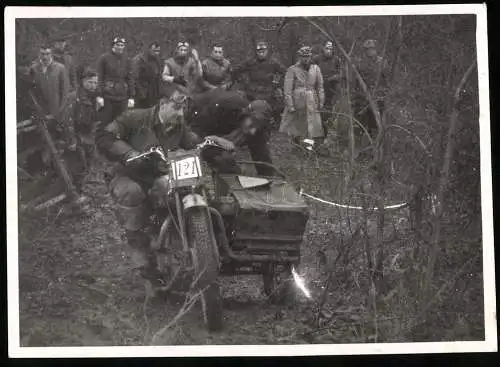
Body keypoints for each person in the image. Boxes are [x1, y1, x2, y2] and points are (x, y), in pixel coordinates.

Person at [95, 83, 229, 286]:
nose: (181, 113)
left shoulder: (179, 126)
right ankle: (139, 249)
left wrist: (213, 146)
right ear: (163, 104)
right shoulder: (134, 118)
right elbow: (105, 137)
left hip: (159, 176)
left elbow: (192, 142)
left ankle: (187, 241)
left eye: (184, 108)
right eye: (177, 107)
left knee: (180, 189)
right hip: (128, 175)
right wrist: (129, 153)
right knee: (132, 193)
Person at [187, 88, 275, 177]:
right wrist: (217, 140)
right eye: (252, 125)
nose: (253, 131)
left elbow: (262, 155)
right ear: (245, 114)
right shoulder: (223, 108)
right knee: (225, 161)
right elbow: (194, 136)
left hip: (220, 129)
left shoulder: (257, 125)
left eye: (257, 127)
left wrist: (268, 179)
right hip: (197, 113)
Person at [58, 67, 100, 193]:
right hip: (77, 136)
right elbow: (68, 120)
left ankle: (81, 187)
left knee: (89, 161)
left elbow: (93, 118)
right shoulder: (74, 97)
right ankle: (75, 191)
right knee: (78, 165)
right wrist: (72, 140)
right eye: (90, 82)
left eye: (95, 82)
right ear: (83, 81)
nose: (93, 85)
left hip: (87, 135)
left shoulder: (93, 97)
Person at [280, 45, 325, 146]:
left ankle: (309, 148)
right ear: (299, 57)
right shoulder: (292, 69)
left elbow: (320, 86)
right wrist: (290, 105)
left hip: (312, 100)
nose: (306, 59)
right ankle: (299, 146)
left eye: (308, 56)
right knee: (298, 126)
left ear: (310, 57)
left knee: (312, 126)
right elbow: (287, 89)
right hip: (298, 101)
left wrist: (321, 101)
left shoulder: (315, 68)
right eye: (303, 56)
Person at [232, 41, 286, 124]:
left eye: (263, 51)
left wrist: (277, 84)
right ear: (256, 52)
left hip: (269, 91)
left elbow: (285, 73)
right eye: (259, 52)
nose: (261, 54)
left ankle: (272, 121)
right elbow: (236, 70)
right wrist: (242, 82)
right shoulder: (250, 62)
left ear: (267, 51)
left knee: (275, 106)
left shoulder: (273, 63)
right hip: (252, 91)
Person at [352, 39, 390, 143]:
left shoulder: (382, 62)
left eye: (372, 49)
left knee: (375, 126)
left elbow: (387, 81)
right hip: (362, 99)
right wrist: (356, 97)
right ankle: (359, 149)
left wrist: (384, 95)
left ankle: (373, 149)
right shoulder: (360, 63)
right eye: (367, 49)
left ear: (376, 49)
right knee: (360, 125)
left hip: (378, 99)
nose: (370, 51)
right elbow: (356, 83)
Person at [96, 36, 135, 125]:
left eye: (122, 45)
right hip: (108, 96)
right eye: (118, 45)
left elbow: (130, 78)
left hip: (122, 96)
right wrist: (99, 95)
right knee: (106, 121)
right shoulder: (104, 58)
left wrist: (132, 96)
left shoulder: (127, 59)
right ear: (113, 45)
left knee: (122, 121)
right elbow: (100, 77)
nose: (120, 47)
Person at [313, 41, 342, 137]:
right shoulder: (317, 59)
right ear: (323, 48)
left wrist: (333, 78)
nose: (329, 51)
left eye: (331, 49)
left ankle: (328, 135)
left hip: (332, 90)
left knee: (330, 114)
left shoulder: (337, 60)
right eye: (327, 48)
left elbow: (341, 74)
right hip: (318, 89)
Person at [132, 41, 163, 109]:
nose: (156, 53)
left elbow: (158, 76)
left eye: (158, 51)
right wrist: (140, 92)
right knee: (141, 114)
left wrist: (159, 92)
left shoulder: (157, 60)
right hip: (142, 92)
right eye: (154, 51)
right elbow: (134, 78)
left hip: (154, 92)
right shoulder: (139, 59)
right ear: (149, 49)